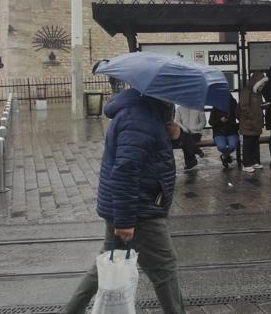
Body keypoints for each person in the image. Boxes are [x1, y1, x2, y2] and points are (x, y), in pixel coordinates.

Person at [61, 88, 186, 314]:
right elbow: (126, 170)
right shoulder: (139, 117)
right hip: (139, 209)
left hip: (127, 206)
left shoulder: (148, 112)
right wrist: (125, 220)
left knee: (106, 263)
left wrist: (173, 135)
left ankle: (70, 311)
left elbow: (151, 153)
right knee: (164, 267)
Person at [239, 72, 268, 172]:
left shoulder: (258, 94)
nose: (262, 86)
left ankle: (255, 161)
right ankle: (246, 164)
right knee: (248, 144)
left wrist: (263, 105)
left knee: (255, 142)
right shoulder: (246, 91)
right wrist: (252, 117)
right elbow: (244, 107)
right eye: (261, 84)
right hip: (248, 123)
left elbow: (257, 105)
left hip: (256, 122)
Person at [209, 96, 239, 170]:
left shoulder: (233, 104)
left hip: (232, 131)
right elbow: (211, 122)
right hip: (219, 132)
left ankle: (224, 156)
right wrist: (220, 120)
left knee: (232, 145)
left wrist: (233, 123)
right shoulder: (216, 107)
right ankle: (227, 157)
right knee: (221, 146)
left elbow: (239, 117)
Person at [173, 105, 206, 170]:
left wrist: (196, 128)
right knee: (185, 138)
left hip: (196, 133)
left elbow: (203, 122)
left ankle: (190, 162)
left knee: (184, 141)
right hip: (184, 132)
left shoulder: (198, 108)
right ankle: (197, 151)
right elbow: (177, 121)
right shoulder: (179, 108)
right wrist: (185, 129)